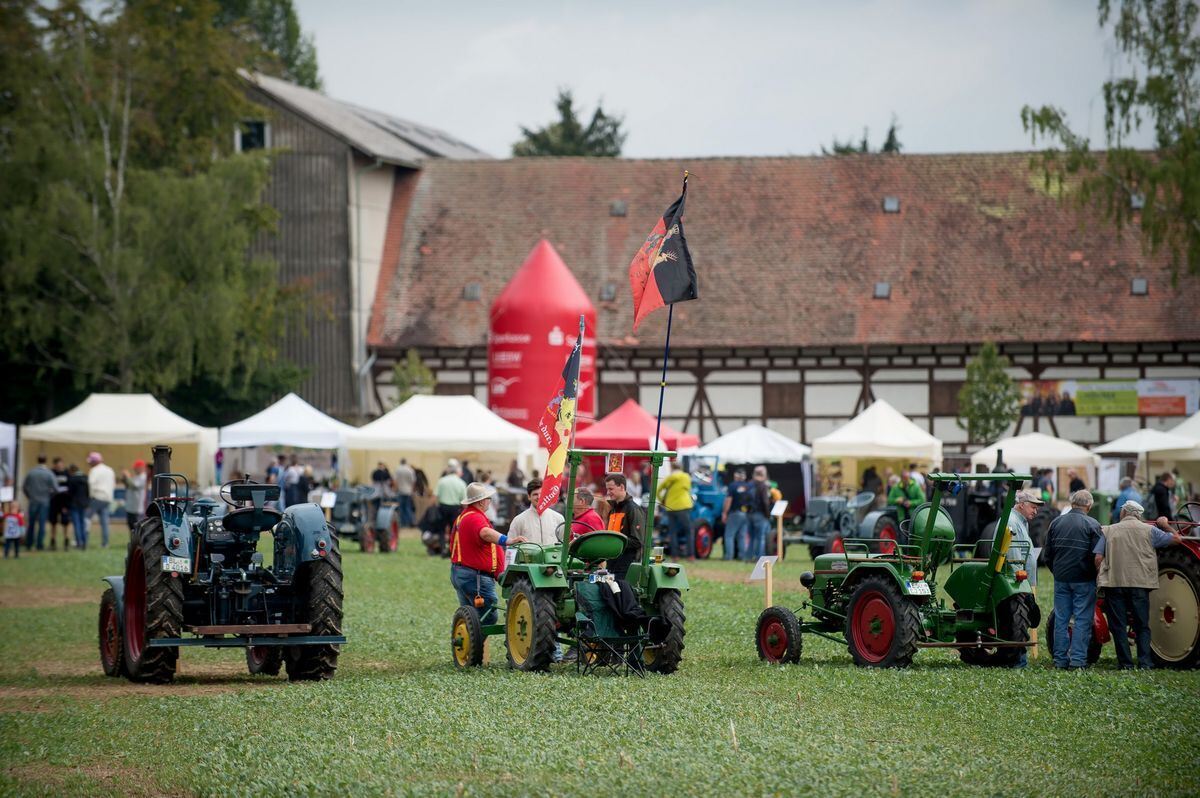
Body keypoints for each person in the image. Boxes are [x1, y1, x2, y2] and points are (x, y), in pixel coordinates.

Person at [1095, 500, 1183, 669]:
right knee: (1142, 625)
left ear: (1123, 513)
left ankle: (1126, 664)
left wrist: (1102, 573)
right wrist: (1165, 525)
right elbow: (1177, 539)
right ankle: (1145, 663)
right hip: (1140, 584)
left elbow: (1098, 558)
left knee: (1118, 625)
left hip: (1115, 583)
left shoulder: (1109, 530)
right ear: (1138, 515)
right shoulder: (1150, 530)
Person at [449, 482, 525, 624]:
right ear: (481, 501)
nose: (489, 501)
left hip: (462, 572)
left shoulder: (464, 516)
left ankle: (471, 644)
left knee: (470, 615)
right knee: (488, 617)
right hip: (475, 577)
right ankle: (477, 644)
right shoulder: (475, 517)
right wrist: (509, 541)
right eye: (488, 498)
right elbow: (485, 533)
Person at [1044, 490, 1103, 669]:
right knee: (1082, 620)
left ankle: (1060, 660)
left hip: (1061, 578)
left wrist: (1058, 572)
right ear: (1089, 506)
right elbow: (1098, 557)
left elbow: (1048, 555)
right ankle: (1077, 661)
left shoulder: (1056, 523)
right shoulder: (1093, 525)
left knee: (1061, 620)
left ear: (1072, 503)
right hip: (1084, 580)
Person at [603, 473, 645, 578]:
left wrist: (615, 543)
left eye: (611, 489)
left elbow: (637, 541)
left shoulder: (633, 509)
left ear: (622, 487)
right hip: (612, 563)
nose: (608, 493)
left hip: (626, 566)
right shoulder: (612, 510)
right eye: (607, 489)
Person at [508, 478, 564, 547]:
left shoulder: (558, 518)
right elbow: (510, 547)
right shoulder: (519, 520)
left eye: (542, 494)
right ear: (529, 496)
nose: (539, 497)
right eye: (535, 494)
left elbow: (563, 546)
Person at [657, 464, 694, 559]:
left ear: (672, 468)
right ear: (680, 468)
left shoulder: (669, 478)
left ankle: (675, 555)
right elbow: (688, 489)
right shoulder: (686, 477)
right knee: (688, 531)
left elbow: (658, 491)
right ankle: (690, 555)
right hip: (684, 506)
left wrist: (662, 500)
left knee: (672, 532)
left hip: (671, 507)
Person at [21, 454, 56, 551]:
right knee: (42, 523)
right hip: (44, 501)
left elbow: (24, 487)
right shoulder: (49, 473)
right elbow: (55, 488)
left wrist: (29, 496)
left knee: (31, 523)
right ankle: (39, 544)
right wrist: (49, 496)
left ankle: (29, 543)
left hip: (33, 500)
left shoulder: (31, 472)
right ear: (45, 461)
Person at [435, 463, 468, 555]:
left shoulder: (442, 480)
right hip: (455, 508)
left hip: (443, 506)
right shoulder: (461, 482)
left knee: (441, 529)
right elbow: (464, 500)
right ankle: (451, 550)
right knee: (454, 530)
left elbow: (435, 496)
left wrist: (433, 506)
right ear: (457, 472)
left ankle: (442, 548)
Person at [721, 468, 752, 561]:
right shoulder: (748, 486)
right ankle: (742, 556)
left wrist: (724, 512)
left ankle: (728, 556)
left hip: (735, 513)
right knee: (742, 536)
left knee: (729, 535)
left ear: (736, 475)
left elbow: (728, 500)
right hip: (746, 513)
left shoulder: (732, 486)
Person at [86, 452, 115, 548]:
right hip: (107, 498)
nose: (89, 464)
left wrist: (90, 496)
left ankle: (83, 540)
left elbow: (90, 483)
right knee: (104, 522)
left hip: (97, 497)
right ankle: (105, 543)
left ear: (94, 462)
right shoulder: (110, 470)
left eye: (91, 462)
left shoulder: (94, 470)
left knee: (86, 518)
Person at [746, 466, 773, 561]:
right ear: (764, 474)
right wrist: (768, 514)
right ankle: (759, 558)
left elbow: (744, 499)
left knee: (751, 537)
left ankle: (748, 557)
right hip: (760, 514)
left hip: (749, 514)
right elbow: (765, 502)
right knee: (760, 537)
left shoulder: (749, 484)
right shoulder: (763, 485)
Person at [66, 465, 90, 550]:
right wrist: (87, 503)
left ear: (72, 471)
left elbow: (70, 493)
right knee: (83, 523)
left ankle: (79, 542)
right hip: (83, 504)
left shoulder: (72, 479)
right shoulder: (86, 478)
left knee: (76, 524)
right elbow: (88, 492)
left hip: (74, 504)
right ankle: (85, 542)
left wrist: (67, 504)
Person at [49, 457, 70, 551]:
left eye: (61, 464)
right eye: (57, 464)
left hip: (64, 502)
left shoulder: (67, 473)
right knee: (53, 522)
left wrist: (67, 504)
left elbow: (70, 487)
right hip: (54, 501)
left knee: (65, 523)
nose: (59, 466)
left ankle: (66, 540)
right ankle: (53, 540)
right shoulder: (51, 473)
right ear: (54, 465)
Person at [122, 459, 148, 530]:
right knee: (131, 526)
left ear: (141, 468)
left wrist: (128, 476)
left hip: (137, 508)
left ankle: (137, 541)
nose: (134, 469)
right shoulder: (136, 476)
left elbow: (135, 486)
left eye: (136, 468)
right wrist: (124, 478)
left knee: (136, 528)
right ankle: (133, 541)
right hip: (131, 506)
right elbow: (128, 485)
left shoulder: (143, 477)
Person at [393, 458, 416, 527]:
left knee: (401, 508)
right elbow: (413, 481)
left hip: (400, 491)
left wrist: (395, 488)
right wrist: (412, 490)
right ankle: (410, 522)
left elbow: (395, 480)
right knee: (408, 507)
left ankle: (402, 523)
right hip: (408, 491)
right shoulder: (410, 470)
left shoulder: (397, 469)